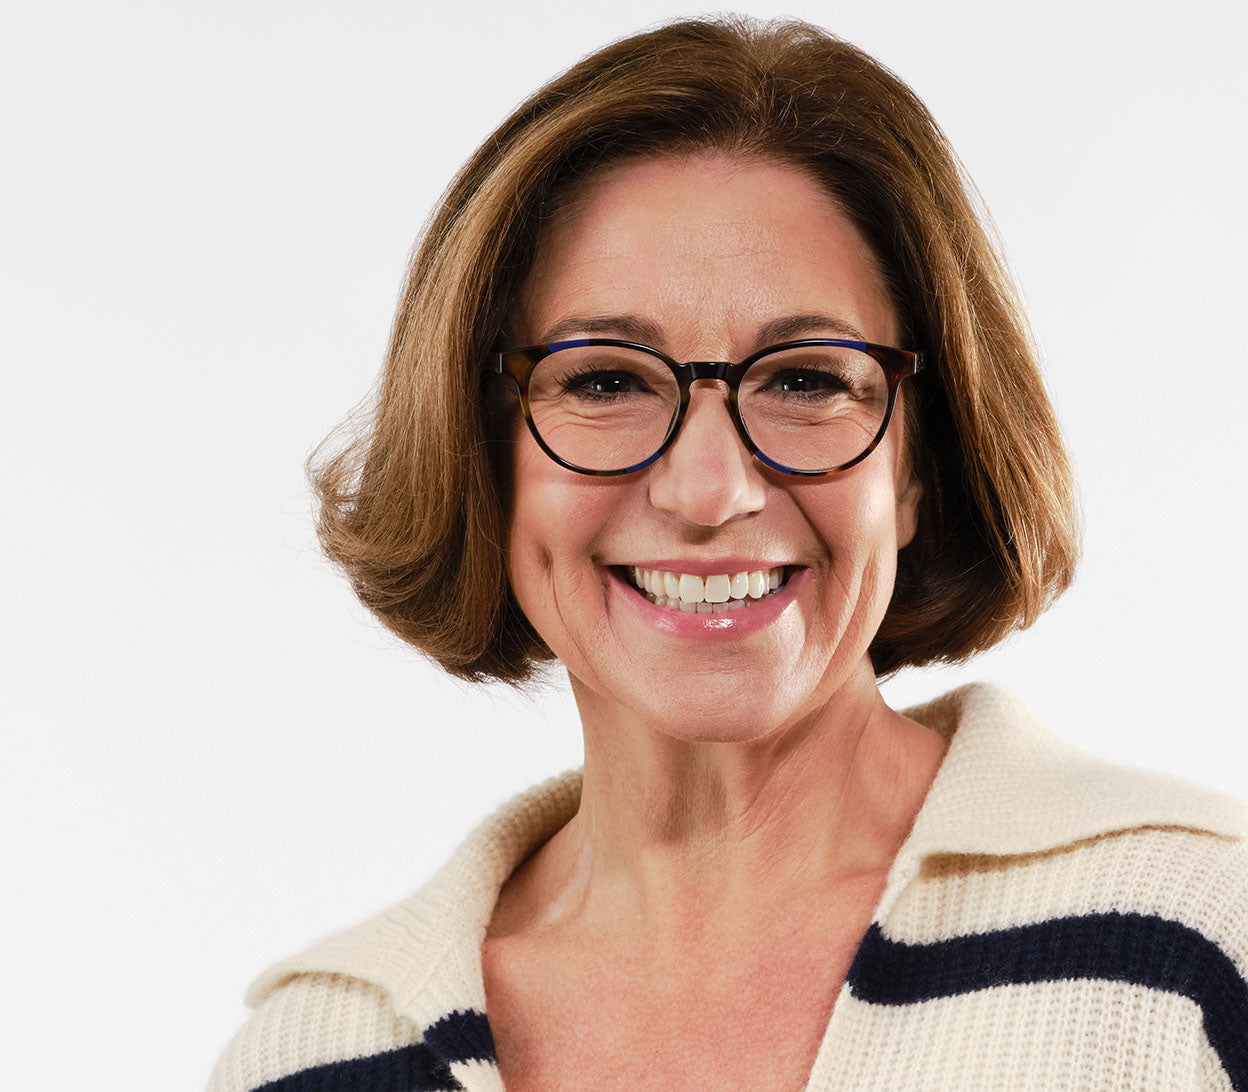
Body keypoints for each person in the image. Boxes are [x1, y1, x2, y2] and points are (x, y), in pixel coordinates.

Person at [206, 16, 1248, 1092]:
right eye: (605, 380)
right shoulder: (317, 1059)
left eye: (805, 380)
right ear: (483, 455)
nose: (712, 490)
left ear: (920, 466)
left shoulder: (1203, 941)